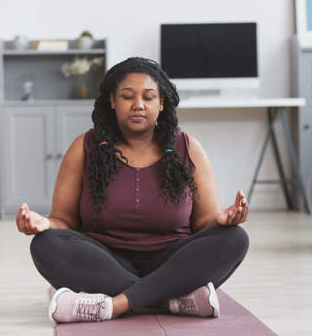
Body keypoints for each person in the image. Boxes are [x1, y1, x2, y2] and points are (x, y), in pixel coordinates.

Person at [15, 57, 249, 323]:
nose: (138, 105)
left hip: (171, 260)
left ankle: (117, 304)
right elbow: (65, 221)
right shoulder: (84, 147)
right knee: (46, 244)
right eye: (128, 96)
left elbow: (205, 223)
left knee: (235, 239)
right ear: (112, 101)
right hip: (105, 261)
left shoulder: (188, 147)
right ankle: (168, 300)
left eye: (148, 97)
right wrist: (43, 223)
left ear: (161, 103)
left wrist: (222, 221)